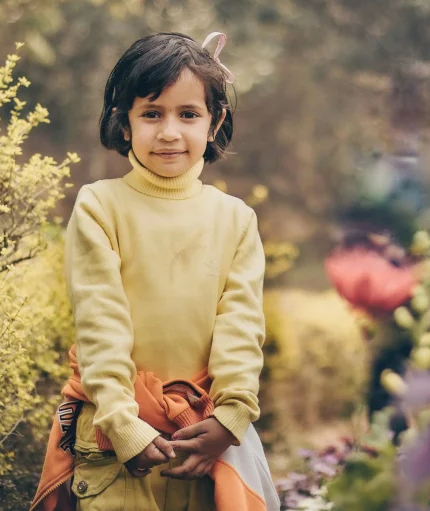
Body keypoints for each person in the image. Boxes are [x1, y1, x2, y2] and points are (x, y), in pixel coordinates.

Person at [31, 32, 279, 511]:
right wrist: (122, 425)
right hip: (113, 435)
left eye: (188, 114)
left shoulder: (235, 219)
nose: (169, 132)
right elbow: (100, 323)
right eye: (151, 113)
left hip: (203, 436)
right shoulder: (100, 207)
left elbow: (241, 326)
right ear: (123, 123)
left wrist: (230, 417)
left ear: (215, 121)